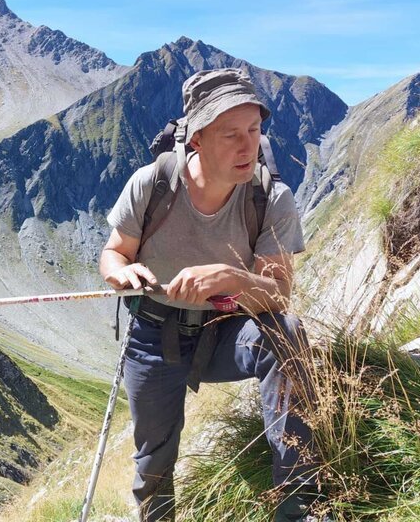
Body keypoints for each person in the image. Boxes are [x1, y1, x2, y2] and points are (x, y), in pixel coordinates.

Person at [100, 68, 324, 521]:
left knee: (286, 335)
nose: (249, 146)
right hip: (152, 335)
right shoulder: (154, 183)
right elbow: (113, 254)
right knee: (154, 460)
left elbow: (278, 295)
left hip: (225, 331)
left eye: (255, 130)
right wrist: (123, 274)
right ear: (196, 139)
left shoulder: (271, 198)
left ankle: (299, 506)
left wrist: (233, 279)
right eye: (230, 135)